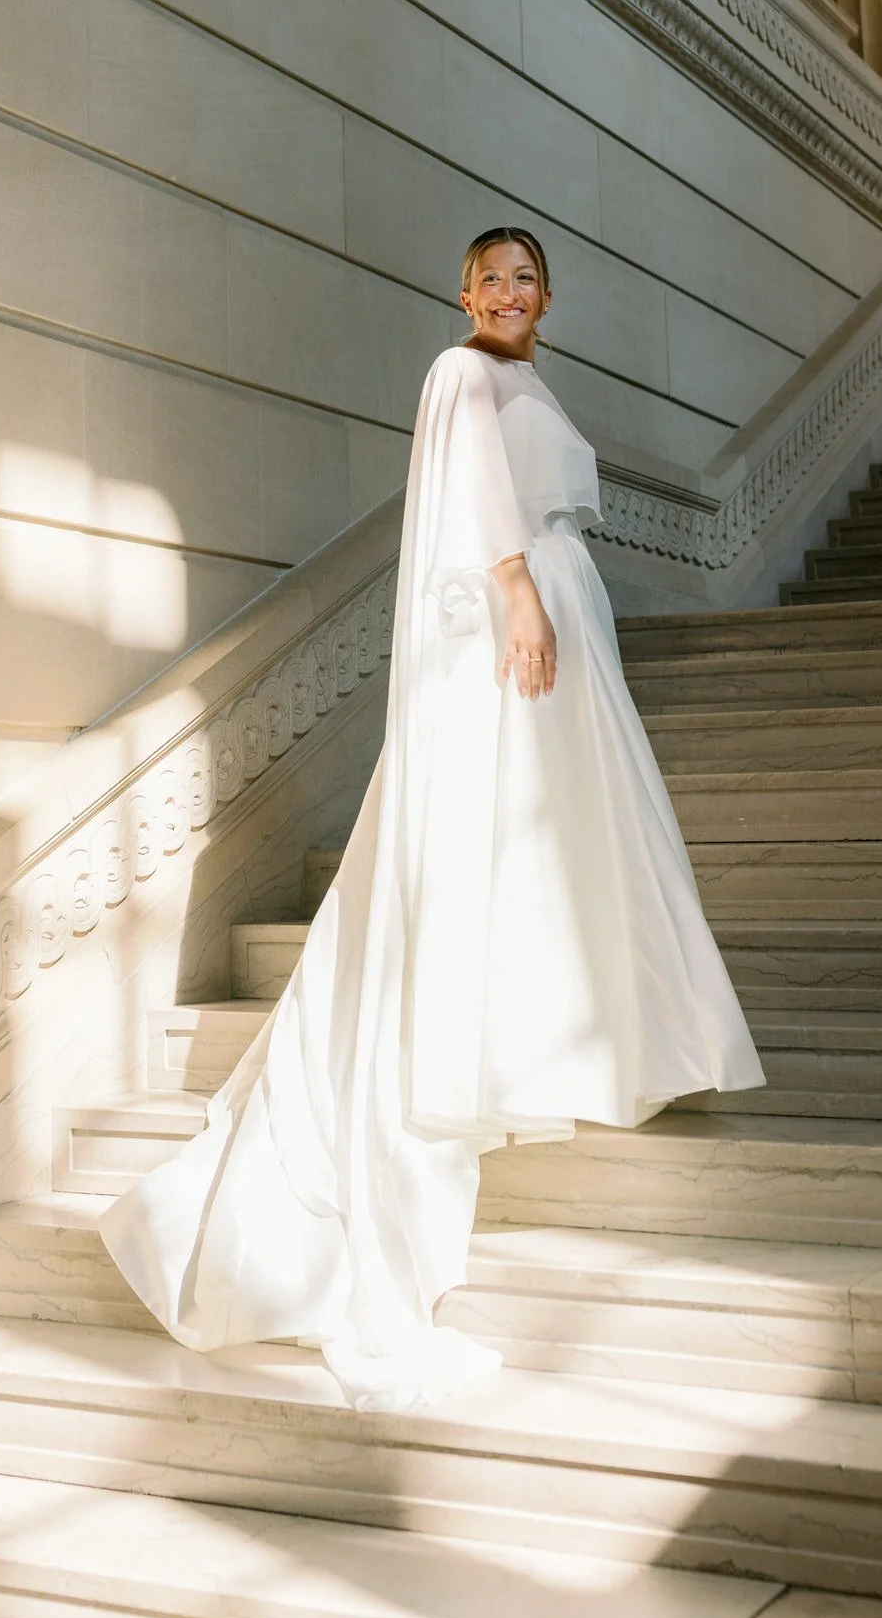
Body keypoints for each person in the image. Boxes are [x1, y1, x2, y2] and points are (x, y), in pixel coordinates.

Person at [101, 227, 764, 1411]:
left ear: (546, 295)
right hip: (515, 620)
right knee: (485, 843)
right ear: (461, 292)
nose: (507, 293)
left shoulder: (530, 378)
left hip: (560, 610)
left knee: (573, 849)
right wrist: (517, 597)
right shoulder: (458, 372)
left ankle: (576, 1035)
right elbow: (470, 497)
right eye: (488, 277)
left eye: (525, 278)